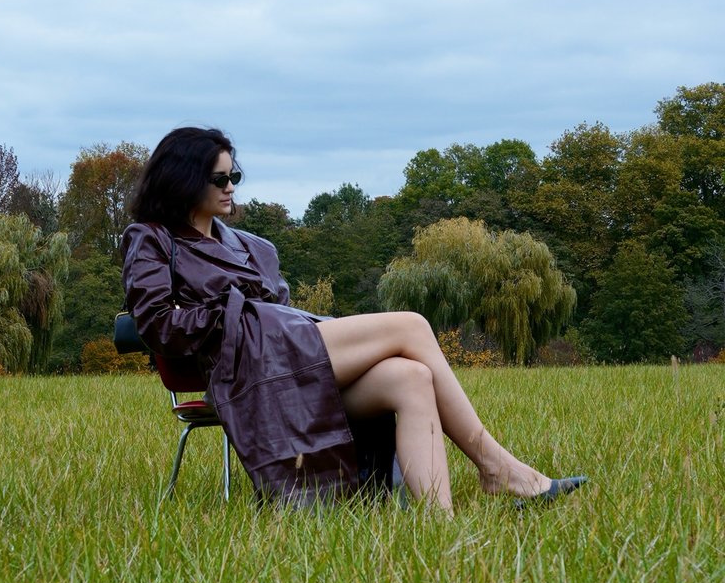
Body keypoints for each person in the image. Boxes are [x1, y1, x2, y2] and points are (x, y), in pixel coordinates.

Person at [121, 127, 587, 513]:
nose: (230, 187)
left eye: (234, 175)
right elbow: (157, 325)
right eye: (218, 178)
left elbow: (279, 308)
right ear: (184, 180)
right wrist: (228, 308)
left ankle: (439, 524)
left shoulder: (250, 245)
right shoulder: (152, 240)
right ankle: (497, 468)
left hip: (285, 351)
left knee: (411, 377)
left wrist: (246, 305)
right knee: (411, 325)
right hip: (244, 371)